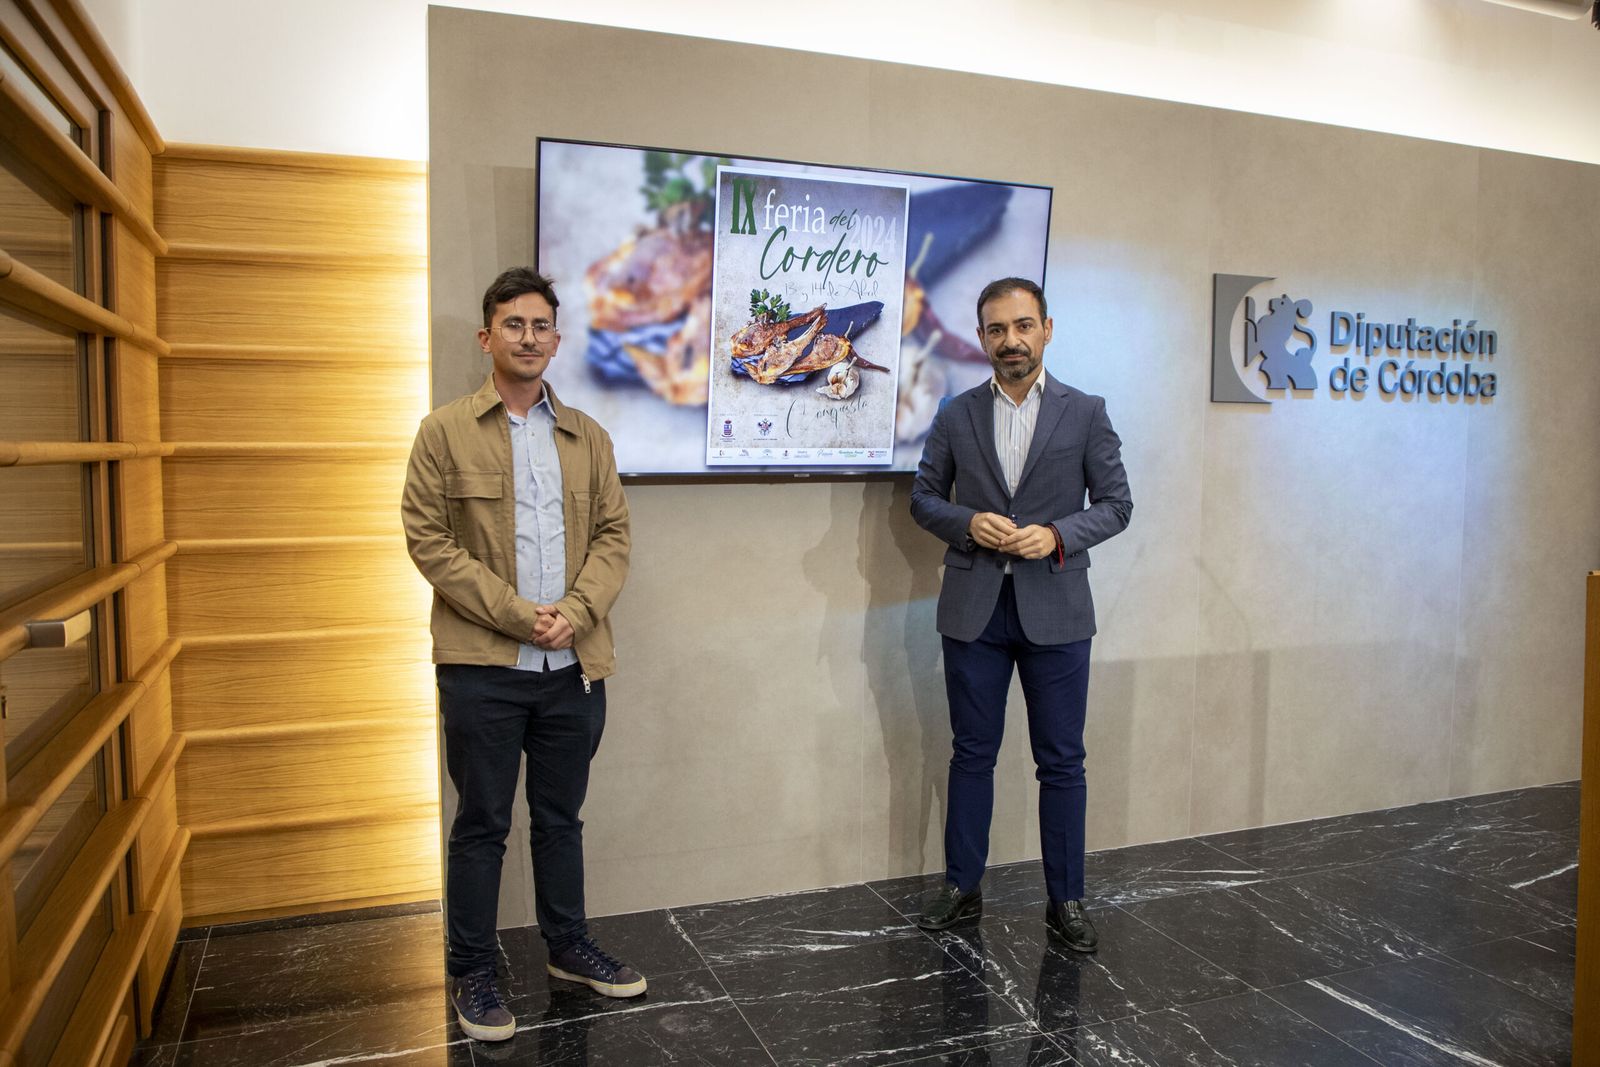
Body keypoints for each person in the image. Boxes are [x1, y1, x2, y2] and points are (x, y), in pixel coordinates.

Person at [402, 267, 641, 1043]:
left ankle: (567, 947)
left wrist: (573, 614)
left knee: (559, 818)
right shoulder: (442, 432)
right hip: (482, 667)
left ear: (557, 339)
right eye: (514, 325)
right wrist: (516, 614)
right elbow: (428, 540)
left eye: (541, 326)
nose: (528, 338)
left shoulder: (589, 437)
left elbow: (613, 537)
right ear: (487, 337)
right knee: (479, 822)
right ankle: (471, 967)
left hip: (574, 668)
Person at [909, 276, 1132, 951]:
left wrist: (1059, 535)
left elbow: (1117, 503)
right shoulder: (954, 414)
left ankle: (1066, 898)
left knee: (1062, 760)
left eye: (1023, 325)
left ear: (1046, 329)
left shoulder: (1086, 411)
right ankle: (962, 886)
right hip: (974, 610)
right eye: (997, 329)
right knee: (971, 754)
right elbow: (923, 498)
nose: (1011, 340)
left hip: (1057, 609)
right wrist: (968, 522)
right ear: (981, 338)